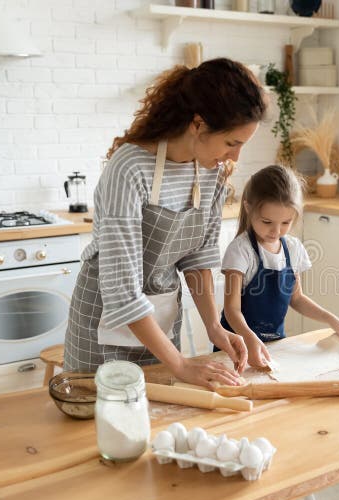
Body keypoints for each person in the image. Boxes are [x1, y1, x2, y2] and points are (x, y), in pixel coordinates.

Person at [64, 58, 267, 388]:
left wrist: (215, 326)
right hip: (103, 329)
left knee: (161, 426)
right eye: (232, 143)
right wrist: (183, 366)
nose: (236, 157)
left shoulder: (211, 170)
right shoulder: (130, 169)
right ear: (198, 124)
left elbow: (197, 258)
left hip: (160, 327)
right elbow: (121, 289)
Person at [218, 165, 339, 367]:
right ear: (248, 208)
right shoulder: (241, 251)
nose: (275, 231)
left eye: (285, 223)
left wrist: (330, 319)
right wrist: (248, 337)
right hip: (237, 347)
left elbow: (296, 298)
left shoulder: (293, 248)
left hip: (275, 344)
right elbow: (232, 309)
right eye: (267, 222)